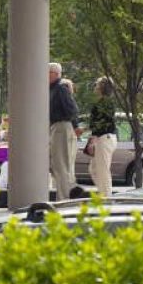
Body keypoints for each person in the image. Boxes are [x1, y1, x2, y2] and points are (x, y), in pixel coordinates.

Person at [49, 62, 80, 200]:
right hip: (56, 128)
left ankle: (65, 198)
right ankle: (69, 192)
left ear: (54, 74)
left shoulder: (61, 89)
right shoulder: (53, 89)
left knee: (61, 166)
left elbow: (72, 109)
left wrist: (74, 125)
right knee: (56, 165)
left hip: (61, 127)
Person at [87, 77, 118, 198]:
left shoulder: (105, 103)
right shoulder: (103, 103)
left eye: (97, 84)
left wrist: (92, 141)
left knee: (103, 171)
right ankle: (104, 195)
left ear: (102, 87)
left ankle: (106, 198)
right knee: (94, 169)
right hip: (104, 138)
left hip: (105, 138)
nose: (95, 86)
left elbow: (101, 124)